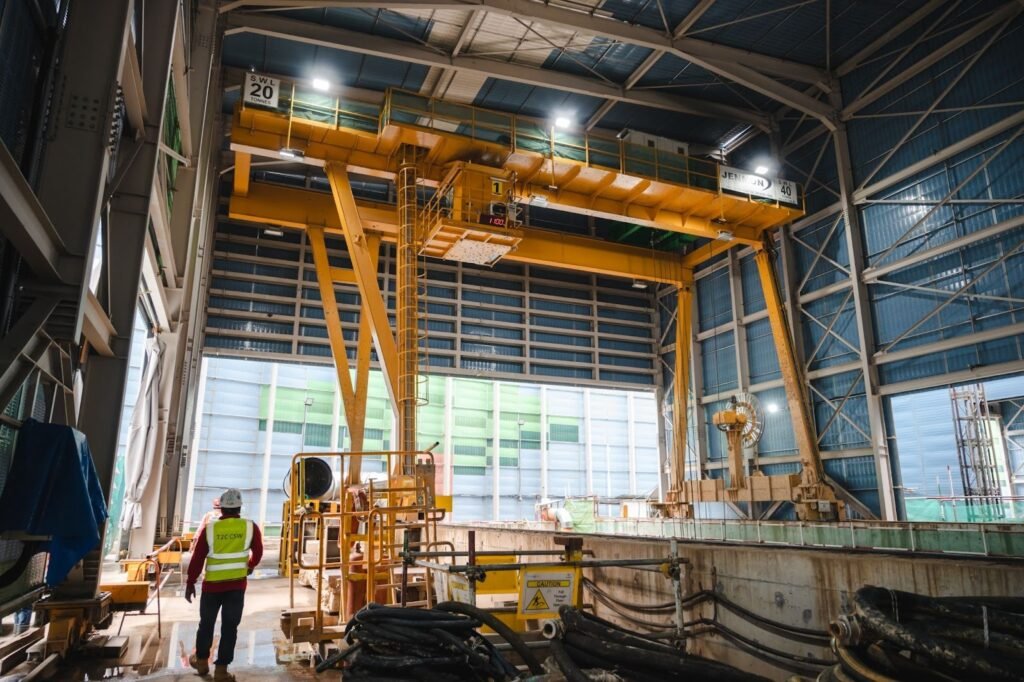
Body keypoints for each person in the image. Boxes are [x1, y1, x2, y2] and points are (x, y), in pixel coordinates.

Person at [185, 488, 262, 682]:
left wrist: (190, 582)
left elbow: (197, 558)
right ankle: (221, 670)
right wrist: (250, 566)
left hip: (212, 587)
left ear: (221, 509)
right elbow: (258, 552)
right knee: (230, 627)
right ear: (239, 508)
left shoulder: (210, 529)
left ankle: (202, 663)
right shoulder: (250, 527)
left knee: (206, 624)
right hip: (236, 588)